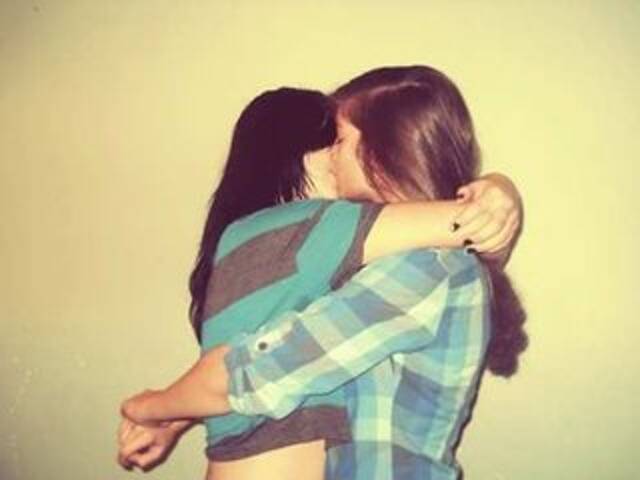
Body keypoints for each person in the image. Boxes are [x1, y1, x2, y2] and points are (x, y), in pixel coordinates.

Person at [119, 67, 525, 479]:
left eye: (340, 141)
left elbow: (257, 372)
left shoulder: (426, 265)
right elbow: (289, 353)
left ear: (381, 151)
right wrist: (177, 414)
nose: (332, 155)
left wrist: (152, 407)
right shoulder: (384, 263)